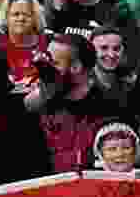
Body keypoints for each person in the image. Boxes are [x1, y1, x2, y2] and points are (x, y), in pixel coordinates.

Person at [24, 34, 128, 172]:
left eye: (53, 63)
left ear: (76, 67)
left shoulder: (112, 107)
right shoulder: (42, 102)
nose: (46, 69)